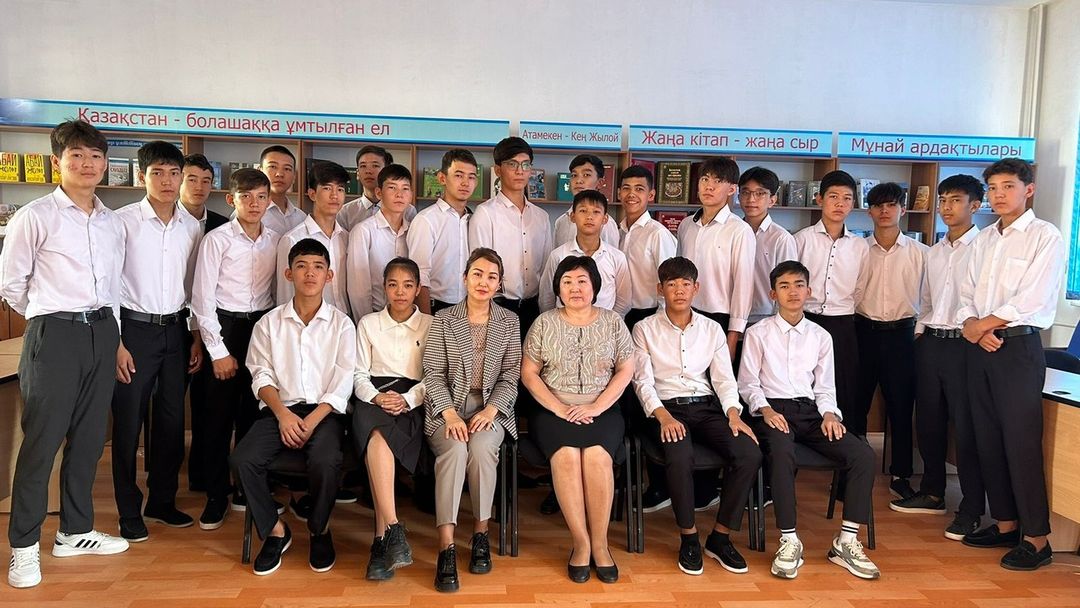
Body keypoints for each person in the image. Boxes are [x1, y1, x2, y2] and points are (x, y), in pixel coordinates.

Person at [2, 120, 128, 589]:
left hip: (103, 332)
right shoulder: (35, 216)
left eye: (96, 156)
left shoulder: (112, 222)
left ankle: (74, 532)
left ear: (106, 163)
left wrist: (114, 340)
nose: (87, 164)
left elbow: (113, 287)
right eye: (77, 155)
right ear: (58, 162)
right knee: (42, 443)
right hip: (54, 335)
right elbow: (11, 285)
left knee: (90, 439)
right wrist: (50, 318)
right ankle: (23, 547)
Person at [956, 158, 1064, 571]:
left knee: (1020, 442)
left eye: (1008, 186)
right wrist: (973, 326)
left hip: (1018, 348)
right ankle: (1005, 524)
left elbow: (1033, 299)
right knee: (987, 438)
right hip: (980, 346)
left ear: (1028, 189)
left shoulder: (1044, 236)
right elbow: (966, 292)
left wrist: (983, 325)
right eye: (993, 188)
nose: (999, 195)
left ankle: (1037, 539)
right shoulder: (984, 239)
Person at [740, 260, 879, 580]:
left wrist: (829, 413)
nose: (793, 292)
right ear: (773, 294)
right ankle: (789, 540)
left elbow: (825, 387)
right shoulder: (758, 333)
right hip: (772, 411)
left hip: (812, 412)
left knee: (862, 454)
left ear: (809, 291)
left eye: (799, 285)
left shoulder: (821, 336)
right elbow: (748, 384)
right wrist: (765, 410)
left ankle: (846, 541)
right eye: (784, 286)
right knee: (781, 452)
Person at [230, 238, 356, 575]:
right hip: (279, 411)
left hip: (324, 414)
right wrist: (283, 415)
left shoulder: (342, 324)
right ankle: (275, 530)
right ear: (289, 274)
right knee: (242, 459)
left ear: (329, 275)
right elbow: (260, 374)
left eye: (318, 267)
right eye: (301, 266)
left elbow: (344, 379)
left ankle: (319, 529)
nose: (309, 273)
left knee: (326, 460)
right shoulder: (269, 323)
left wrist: (312, 420)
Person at [631, 257, 762, 576]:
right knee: (679, 453)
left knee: (749, 452)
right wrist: (662, 416)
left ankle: (720, 537)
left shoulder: (712, 329)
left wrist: (734, 413)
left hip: (705, 407)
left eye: (685, 284)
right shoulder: (644, 328)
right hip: (665, 407)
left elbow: (723, 379)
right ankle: (688, 536)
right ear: (660, 289)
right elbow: (642, 382)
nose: (679, 290)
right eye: (671, 284)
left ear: (696, 288)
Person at [521, 255, 634, 584]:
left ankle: (601, 544)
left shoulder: (613, 322)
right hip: (552, 410)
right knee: (568, 456)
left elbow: (626, 369)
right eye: (567, 282)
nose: (575, 288)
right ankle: (581, 543)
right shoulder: (544, 323)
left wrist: (597, 406)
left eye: (582, 281)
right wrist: (558, 407)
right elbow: (529, 373)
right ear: (557, 289)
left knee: (597, 457)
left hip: (603, 409)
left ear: (594, 286)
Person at [111, 141, 202, 543]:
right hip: (133, 331)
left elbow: (195, 286)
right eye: (158, 173)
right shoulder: (121, 222)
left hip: (176, 331)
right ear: (141, 175)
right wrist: (116, 342)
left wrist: (195, 336)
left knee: (170, 420)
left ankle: (162, 501)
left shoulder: (191, 226)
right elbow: (107, 285)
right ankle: (128, 510)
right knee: (128, 422)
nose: (167, 181)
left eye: (173, 173)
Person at [890, 175, 987, 543]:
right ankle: (932, 493)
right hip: (932, 342)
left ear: (975, 205)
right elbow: (927, 300)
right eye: (943, 199)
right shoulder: (934, 251)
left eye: (955, 200)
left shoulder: (984, 248)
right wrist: (921, 333)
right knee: (929, 421)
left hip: (965, 344)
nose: (946, 206)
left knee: (966, 427)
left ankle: (972, 508)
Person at [423, 248, 520, 592]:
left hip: (489, 407)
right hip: (447, 406)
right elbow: (433, 373)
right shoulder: (444, 318)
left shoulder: (509, 321)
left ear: (499, 284)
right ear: (465, 278)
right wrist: (449, 413)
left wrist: (491, 410)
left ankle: (480, 533)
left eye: (492, 277)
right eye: (477, 274)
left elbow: (510, 375)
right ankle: (446, 546)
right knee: (454, 450)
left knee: (480, 450)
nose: (483, 282)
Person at [190, 167, 279, 529]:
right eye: (246, 197)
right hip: (225, 328)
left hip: (260, 327)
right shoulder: (217, 240)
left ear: (269, 201)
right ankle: (216, 494)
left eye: (261, 197)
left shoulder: (275, 240)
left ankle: (246, 487)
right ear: (231, 200)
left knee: (253, 413)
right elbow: (202, 299)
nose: (254, 204)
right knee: (217, 416)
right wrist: (218, 350)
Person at [353, 258, 433, 581]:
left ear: (417, 289)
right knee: (375, 434)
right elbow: (358, 374)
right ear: (384, 288)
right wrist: (376, 397)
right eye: (393, 285)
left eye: (408, 285)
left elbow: (435, 376)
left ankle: (381, 540)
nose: (400, 292)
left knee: (378, 440)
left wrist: (409, 399)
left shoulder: (431, 324)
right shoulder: (368, 323)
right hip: (373, 397)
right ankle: (394, 528)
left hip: (413, 399)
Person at [853, 182, 928, 501]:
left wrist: (918, 332)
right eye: (878, 205)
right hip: (862, 332)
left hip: (903, 335)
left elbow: (929, 299)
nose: (884, 211)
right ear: (868, 211)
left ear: (903, 209)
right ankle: (852, 471)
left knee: (901, 406)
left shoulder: (921, 253)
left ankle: (901, 474)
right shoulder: (857, 250)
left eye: (891, 205)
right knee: (855, 404)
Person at [793, 170, 869, 431]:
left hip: (843, 324)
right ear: (819, 199)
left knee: (843, 385)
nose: (840, 204)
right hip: (806, 320)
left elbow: (860, 288)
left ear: (853, 204)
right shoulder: (801, 239)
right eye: (833, 196)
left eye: (847, 198)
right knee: (804, 382)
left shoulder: (860, 246)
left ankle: (844, 442)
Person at [178, 153, 228, 493]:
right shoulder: (169, 220)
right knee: (172, 406)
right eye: (191, 179)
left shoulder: (221, 225)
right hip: (170, 319)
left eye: (206, 181)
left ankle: (204, 474)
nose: (199, 187)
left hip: (206, 325)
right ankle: (173, 478)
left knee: (207, 402)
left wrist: (200, 334)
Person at [468, 136, 551, 338]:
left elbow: (547, 268)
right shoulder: (485, 214)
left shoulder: (541, 217)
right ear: (498, 170)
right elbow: (478, 269)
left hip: (534, 308)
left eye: (525, 164)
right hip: (497, 307)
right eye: (512, 164)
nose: (520, 171)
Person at [676, 157, 755, 361]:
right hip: (684, 314)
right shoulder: (686, 225)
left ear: (732, 189)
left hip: (719, 318)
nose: (709, 186)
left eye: (718, 181)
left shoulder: (739, 230)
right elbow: (678, 273)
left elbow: (743, 285)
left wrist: (733, 336)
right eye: (704, 179)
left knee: (717, 378)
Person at [407, 149, 479, 315]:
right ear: (442, 178)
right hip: (435, 307)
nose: (465, 183)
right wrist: (427, 320)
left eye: (471, 177)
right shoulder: (426, 220)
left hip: (469, 308)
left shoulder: (474, 220)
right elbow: (419, 275)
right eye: (459, 175)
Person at [276, 160, 350, 316]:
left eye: (340, 189)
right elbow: (284, 295)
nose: (334, 195)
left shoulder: (347, 238)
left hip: (343, 319)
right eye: (327, 188)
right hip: (307, 322)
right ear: (312, 194)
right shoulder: (292, 239)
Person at [539, 190, 631, 315]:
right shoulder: (558, 255)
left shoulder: (617, 257)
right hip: (564, 324)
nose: (589, 217)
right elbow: (547, 298)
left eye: (596, 212)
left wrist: (607, 322)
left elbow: (623, 301)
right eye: (583, 211)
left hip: (604, 324)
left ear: (605, 219)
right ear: (572, 216)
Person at [347, 164, 413, 317]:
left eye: (405, 188)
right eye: (392, 188)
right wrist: (367, 323)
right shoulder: (363, 231)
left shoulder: (414, 231)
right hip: (375, 316)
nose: (399, 194)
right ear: (379, 193)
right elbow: (358, 290)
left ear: (411, 195)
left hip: (409, 317)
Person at [617, 165, 677, 329]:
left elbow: (670, 280)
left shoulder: (658, 234)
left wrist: (662, 320)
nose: (631, 194)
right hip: (619, 313)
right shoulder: (618, 232)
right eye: (626, 188)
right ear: (619, 193)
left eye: (639, 189)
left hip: (649, 315)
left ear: (651, 195)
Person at [738, 166, 797, 325]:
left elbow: (788, 284)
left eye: (760, 193)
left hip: (765, 318)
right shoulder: (731, 232)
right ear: (738, 196)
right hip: (731, 314)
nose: (751, 199)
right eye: (746, 192)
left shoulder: (781, 238)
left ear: (772, 200)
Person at [337, 145, 416, 231]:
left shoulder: (408, 211)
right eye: (363, 166)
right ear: (357, 174)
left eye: (375, 166)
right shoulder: (345, 212)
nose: (368, 171)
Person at [552, 154, 619, 248]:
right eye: (574, 175)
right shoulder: (561, 221)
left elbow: (611, 255)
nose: (579, 181)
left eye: (586, 175)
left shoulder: (606, 224)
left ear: (600, 183)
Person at [256, 145, 306, 236]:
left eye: (287, 169)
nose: (279, 174)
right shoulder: (248, 213)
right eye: (273, 167)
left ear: (294, 177)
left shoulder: (301, 217)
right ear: (259, 172)